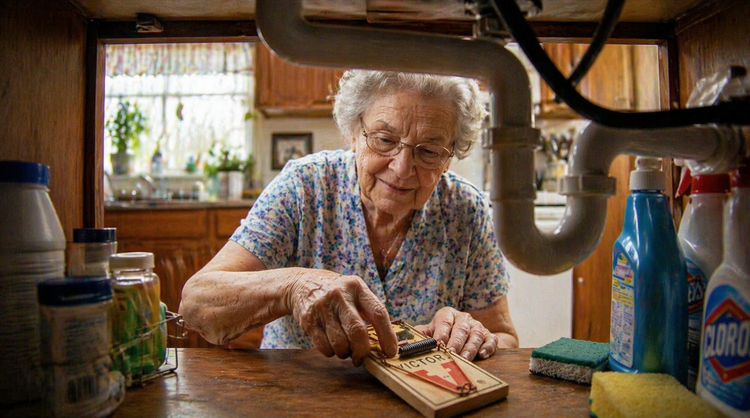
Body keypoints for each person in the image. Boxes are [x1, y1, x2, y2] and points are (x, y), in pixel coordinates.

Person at [180, 70, 518, 366]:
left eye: (428, 151)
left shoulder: (465, 209)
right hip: (298, 398)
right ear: (353, 134)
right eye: (385, 140)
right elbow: (196, 304)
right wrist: (293, 286)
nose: (401, 169)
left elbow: (503, 337)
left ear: (448, 159)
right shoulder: (305, 187)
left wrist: (472, 334)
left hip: (425, 403)